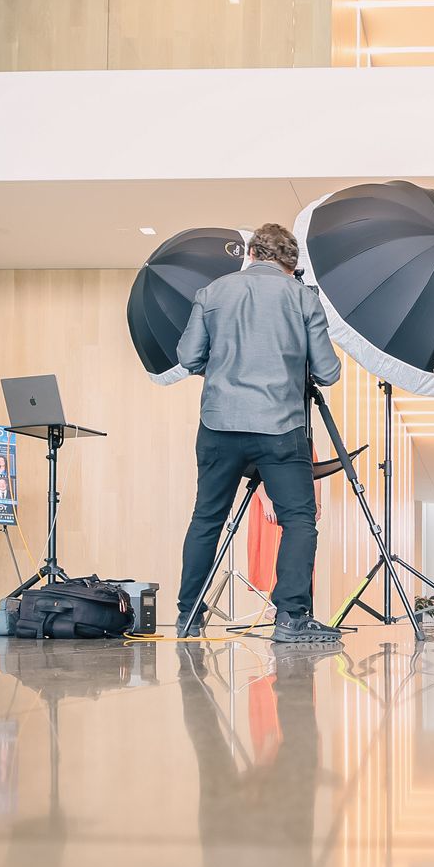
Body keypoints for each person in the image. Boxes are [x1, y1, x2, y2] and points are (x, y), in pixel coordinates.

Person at [154, 223, 343, 644]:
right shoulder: (302, 298)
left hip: (219, 425)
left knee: (207, 519)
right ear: (290, 266)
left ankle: (189, 613)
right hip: (280, 428)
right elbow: (328, 372)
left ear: (253, 254)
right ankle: (291, 617)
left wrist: (221, 367)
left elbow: (188, 356)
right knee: (298, 520)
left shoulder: (213, 292)